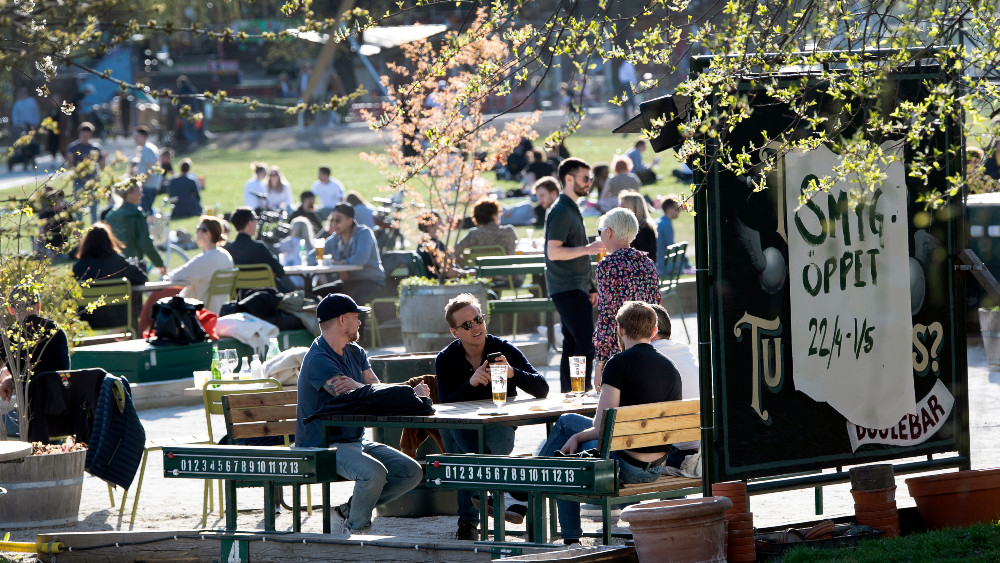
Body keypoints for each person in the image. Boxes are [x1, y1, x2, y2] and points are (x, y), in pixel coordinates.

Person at [537, 301, 681, 544]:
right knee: (568, 425)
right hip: (656, 467)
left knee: (564, 452)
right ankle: (528, 484)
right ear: (654, 331)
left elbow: (602, 426)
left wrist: (577, 437)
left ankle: (533, 489)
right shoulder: (670, 368)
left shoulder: (618, 363)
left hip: (625, 466)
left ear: (621, 330)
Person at [295, 294, 425, 535]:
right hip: (322, 444)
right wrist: (365, 389)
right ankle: (356, 530)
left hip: (355, 440)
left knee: (412, 472)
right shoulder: (317, 359)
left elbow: (375, 390)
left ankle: (347, 511)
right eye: (356, 317)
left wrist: (404, 392)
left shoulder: (355, 351)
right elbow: (354, 395)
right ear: (342, 320)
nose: (360, 323)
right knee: (373, 474)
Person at [434, 293, 549, 539]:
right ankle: (502, 496)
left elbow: (542, 388)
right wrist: (471, 383)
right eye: (467, 325)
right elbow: (446, 403)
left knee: (474, 454)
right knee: (458, 435)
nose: (476, 327)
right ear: (455, 332)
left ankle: (479, 505)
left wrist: (512, 373)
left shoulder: (502, 349)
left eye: (478, 319)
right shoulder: (446, 358)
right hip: (462, 426)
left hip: (499, 425)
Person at [544, 158, 604, 393]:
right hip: (565, 287)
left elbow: (573, 250)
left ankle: (570, 394)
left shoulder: (571, 207)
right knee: (584, 343)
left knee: (572, 343)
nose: (589, 183)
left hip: (576, 286)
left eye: (590, 178)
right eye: (585, 178)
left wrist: (590, 286)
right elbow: (553, 251)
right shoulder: (560, 210)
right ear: (569, 179)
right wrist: (589, 249)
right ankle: (581, 392)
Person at [592, 207, 661, 388]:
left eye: (600, 232)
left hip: (620, 351)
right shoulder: (647, 264)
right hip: (648, 347)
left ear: (609, 232)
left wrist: (599, 362)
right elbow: (657, 309)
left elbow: (607, 317)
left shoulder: (607, 266)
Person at [0, 285, 71, 436]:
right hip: (62, 415)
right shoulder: (57, 331)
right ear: (39, 306)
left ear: (11, 310)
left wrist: (5, 377)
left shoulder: (9, 337)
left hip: (28, 420)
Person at [648, 303, 700, 468]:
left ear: (651, 330)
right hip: (698, 451)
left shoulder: (649, 356)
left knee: (568, 423)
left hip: (674, 455)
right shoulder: (685, 351)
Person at [72, 222, 148, 329]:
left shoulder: (78, 267)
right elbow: (142, 278)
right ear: (109, 240)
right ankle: (136, 333)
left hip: (86, 320)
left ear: (86, 242)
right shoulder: (118, 261)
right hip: (120, 318)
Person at [319, 202, 386, 306]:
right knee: (316, 294)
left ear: (350, 221)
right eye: (332, 220)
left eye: (338, 220)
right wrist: (325, 261)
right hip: (349, 283)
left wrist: (340, 263)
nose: (334, 224)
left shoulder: (364, 233)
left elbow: (360, 259)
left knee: (352, 302)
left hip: (372, 282)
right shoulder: (334, 238)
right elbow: (312, 255)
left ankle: (359, 323)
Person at [163, 216, 234, 313]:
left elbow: (175, 277)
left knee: (158, 296)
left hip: (196, 311)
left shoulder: (206, 259)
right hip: (218, 310)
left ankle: (142, 328)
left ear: (207, 234)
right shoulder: (226, 256)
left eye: (198, 229)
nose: (196, 233)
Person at [104, 184, 166, 275]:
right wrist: (160, 263)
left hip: (111, 267)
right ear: (129, 193)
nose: (142, 195)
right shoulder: (136, 214)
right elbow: (145, 243)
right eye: (139, 191)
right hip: (133, 266)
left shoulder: (110, 216)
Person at [224, 207, 288, 289]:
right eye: (256, 219)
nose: (257, 222)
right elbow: (280, 272)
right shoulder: (259, 248)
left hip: (241, 297)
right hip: (265, 296)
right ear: (250, 223)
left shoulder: (229, 250)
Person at [65, 122, 106, 223]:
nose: (85, 137)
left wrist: (104, 158)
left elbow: (102, 167)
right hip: (79, 182)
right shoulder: (73, 148)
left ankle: (94, 233)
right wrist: (70, 160)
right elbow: (70, 167)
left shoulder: (96, 148)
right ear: (79, 134)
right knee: (79, 210)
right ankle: (79, 235)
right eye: (83, 135)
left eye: (87, 135)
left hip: (93, 183)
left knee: (94, 210)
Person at [416, 210, 474, 280]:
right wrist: (470, 272)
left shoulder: (422, 244)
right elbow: (449, 272)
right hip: (441, 287)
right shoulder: (434, 246)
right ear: (431, 224)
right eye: (440, 222)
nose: (443, 225)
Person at [656, 196, 693, 275]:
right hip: (663, 265)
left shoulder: (659, 221)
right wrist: (687, 264)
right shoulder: (666, 224)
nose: (680, 211)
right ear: (669, 209)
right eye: (678, 208)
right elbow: (671, 247)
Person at [618, 190, 657, 264]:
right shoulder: (644, 226)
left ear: (633, 208)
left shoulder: (642, 230)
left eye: (623, 206)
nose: (619, 209)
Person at [134, 126, 162, 214]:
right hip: (151, 185)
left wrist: (140, 184)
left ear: (143, 137)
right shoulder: (149, 147)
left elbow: (150, 171)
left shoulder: (147, 149)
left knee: (147, 212)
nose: (135, 139)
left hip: (148, 186)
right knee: (148, 210)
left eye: (137, 136)